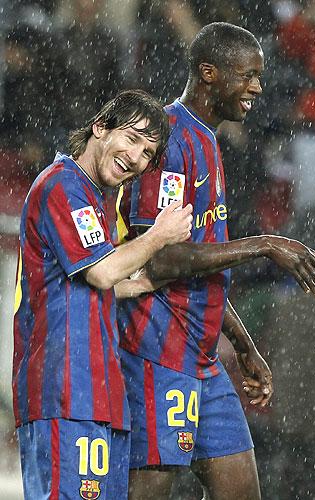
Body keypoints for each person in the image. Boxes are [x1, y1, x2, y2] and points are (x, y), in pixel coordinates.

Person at [115, 24, 315, 500]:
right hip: (158, 353)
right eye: (248, 75)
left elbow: (204, 265)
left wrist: (243, 343)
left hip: (202, 358)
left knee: (241, 491)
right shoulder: (170, 139)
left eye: (260, 76)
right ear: (209, 74)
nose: (257, 87)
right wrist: (263, 244)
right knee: (149, 489)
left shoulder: (209, 142)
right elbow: (164, 259)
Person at [12, 89, 193, 500]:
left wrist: (144, 282)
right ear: (99, 127)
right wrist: (159, 236)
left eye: (147, 152)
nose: (136, 157)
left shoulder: (97, 198)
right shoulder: (63, 185)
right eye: (131, 139)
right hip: (62, 390)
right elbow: (100, 272)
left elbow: (99, 280)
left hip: (101, 395)